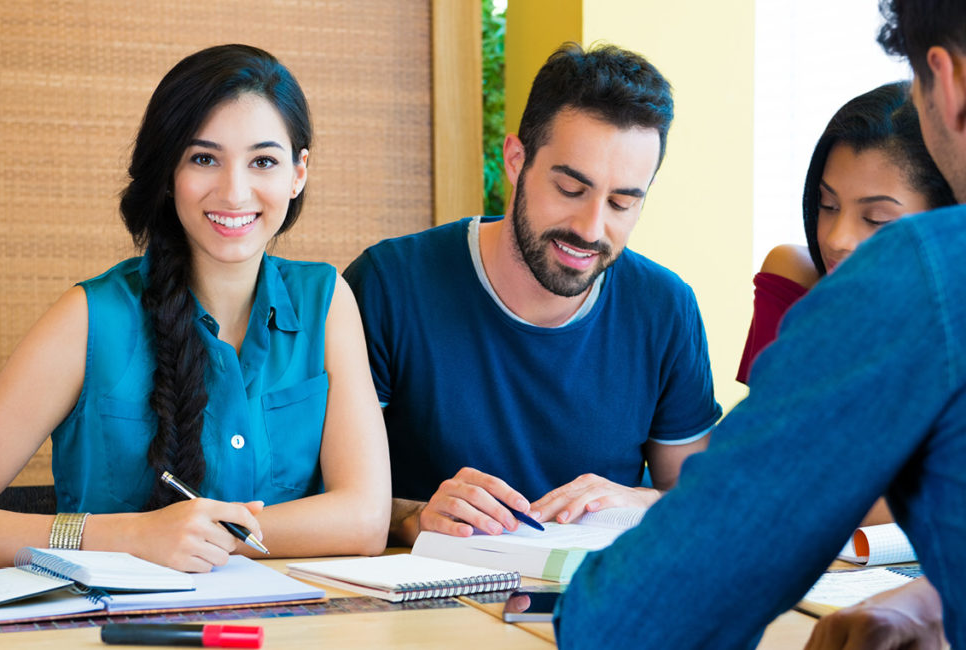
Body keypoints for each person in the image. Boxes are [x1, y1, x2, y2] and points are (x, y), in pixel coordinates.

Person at [555, 1, 966, 648]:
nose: (841, 239)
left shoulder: (922, 273)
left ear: (948, 81)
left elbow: (637, 619)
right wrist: (935, 598)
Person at [0, 44, 390, 572]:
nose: (235, 191)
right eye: (204, 159)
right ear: (168, 172)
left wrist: (212, 535)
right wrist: (129, 535)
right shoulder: (88, 318)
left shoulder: (326, 300)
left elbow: (364, 519)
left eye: (263, 161)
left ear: (297, 173)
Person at [344, 43, 721, 545]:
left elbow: (704, 499)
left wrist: (646, 501)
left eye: (622, 203)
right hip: (424, 603)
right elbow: (311, 486)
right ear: (516, 160)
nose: (591, 228)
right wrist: (410, 516)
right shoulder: (389, 284)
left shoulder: (665, 308)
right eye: (570, 189)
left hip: (592, 605)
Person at [737, 81, 955, 386]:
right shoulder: (792, 279)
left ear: (944, 218)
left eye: (875, 219)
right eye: (828, 205)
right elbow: (766, 427)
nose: (836, 239)